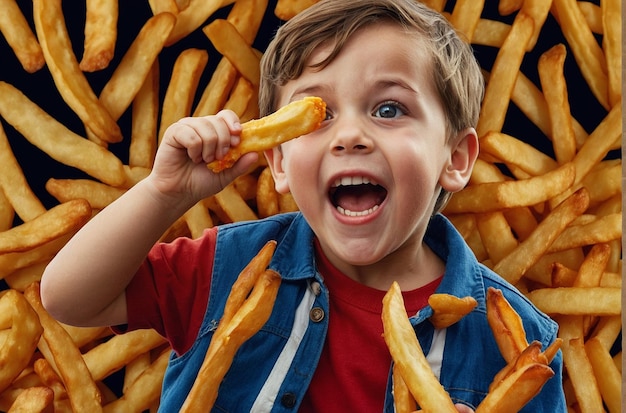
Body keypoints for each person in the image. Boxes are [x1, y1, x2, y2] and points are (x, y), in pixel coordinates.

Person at [41, 0, 566, 411]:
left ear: (454, 158)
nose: (351, 136)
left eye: (389, 108)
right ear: (279, 163)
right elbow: (69, 299)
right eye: (317, 117)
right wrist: (164, 194)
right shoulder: (231, 267)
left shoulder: (521, 343)